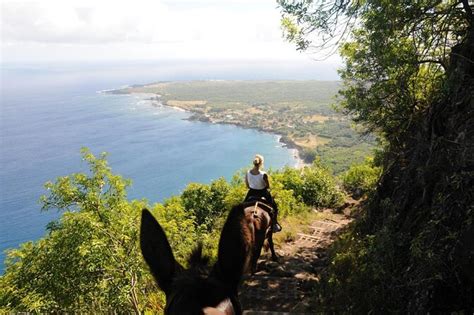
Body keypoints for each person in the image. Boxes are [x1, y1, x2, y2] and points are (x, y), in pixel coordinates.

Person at [244, 154, 282, 232]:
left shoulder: (248, 173)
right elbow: (268, 186)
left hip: (251, 192)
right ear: (261, 163)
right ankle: (274, 224)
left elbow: (247, 185)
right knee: (274, 207)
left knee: (242, 207)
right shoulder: (263, 174)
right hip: (263, 192)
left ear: (253, 163)